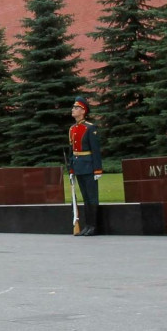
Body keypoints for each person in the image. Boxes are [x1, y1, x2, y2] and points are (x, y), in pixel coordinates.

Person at [68, 96, 103, 236]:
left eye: (76, 108)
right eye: (73, 107)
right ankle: (87, 225)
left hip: (89, 166)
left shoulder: (90, 128)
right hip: (79, 166)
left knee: (92, 197)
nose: (73, 110)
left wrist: (98, 169)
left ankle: (93, 226)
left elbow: (96, 150)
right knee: (85, 198)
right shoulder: (72, 129)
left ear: (83, 111)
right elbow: (72, 151)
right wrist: (71, 169)